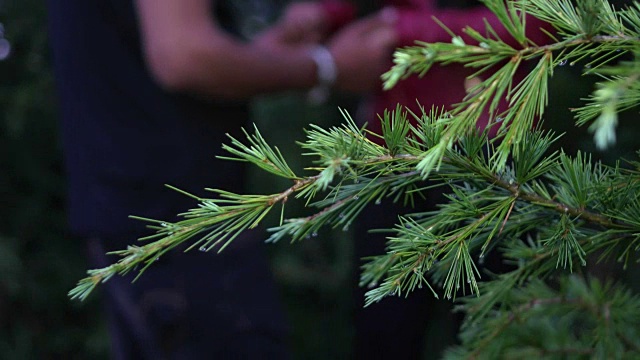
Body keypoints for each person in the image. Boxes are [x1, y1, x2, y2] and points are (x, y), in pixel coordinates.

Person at [46, 0, 397, 358]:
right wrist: (326, 67)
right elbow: (183, 56)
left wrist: (265, 52)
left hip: (136, 217)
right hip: (184, 230)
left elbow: (159, 50)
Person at [345, 1, 553, 358]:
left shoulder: (401, 23)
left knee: (490, 323)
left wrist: (406, 28)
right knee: (384, 323)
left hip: (489, 159)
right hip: (392, 155)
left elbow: (534, 25)